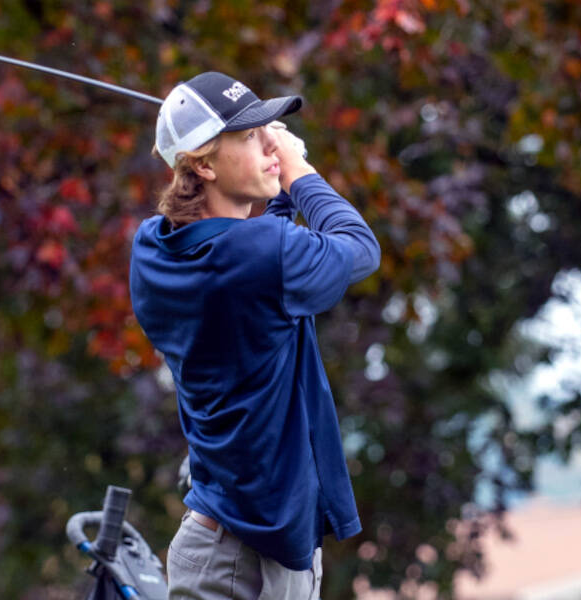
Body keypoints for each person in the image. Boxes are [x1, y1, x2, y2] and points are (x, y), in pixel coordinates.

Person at [129, 71, 381, 600]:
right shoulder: (262, 256)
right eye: (249, 136)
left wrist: (271, 176)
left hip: (214, 544)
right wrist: (299, 173)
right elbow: (359, 247)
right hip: (254, 561)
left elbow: (262, 255)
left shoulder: (151, 250)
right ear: (203, 164)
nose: (271, 143)